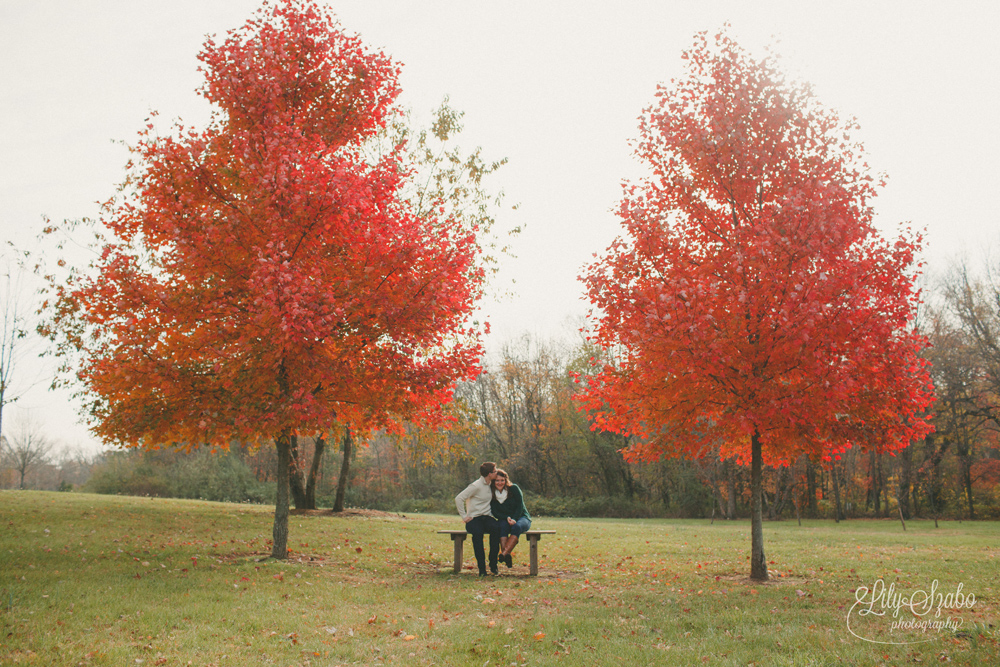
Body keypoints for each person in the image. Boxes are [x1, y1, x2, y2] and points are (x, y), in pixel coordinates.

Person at [455, 461, 501, 576]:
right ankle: (482, 569)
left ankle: (493, 564)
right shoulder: (476, 486)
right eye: (495, 471)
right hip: (474, 518)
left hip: (487, 517)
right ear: (489, 474)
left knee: (496, 529)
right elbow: (459, 498)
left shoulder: (491, 484)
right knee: (477, 534)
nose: (497, 472)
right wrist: (464, 516)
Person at [490, 469, 531, 568]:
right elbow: (495, 512)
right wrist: (507, 517)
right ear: (493, 481)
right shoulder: (491, 493)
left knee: (516, 527)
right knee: (502, 526)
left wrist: (514, 518)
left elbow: (520, 506)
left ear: (506, 480)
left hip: (521, 517)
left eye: (502, 480)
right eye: (497, 480)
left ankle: (503, 554)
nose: (500, 483)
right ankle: (506, 555)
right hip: (505, 519)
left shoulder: (513, 488)